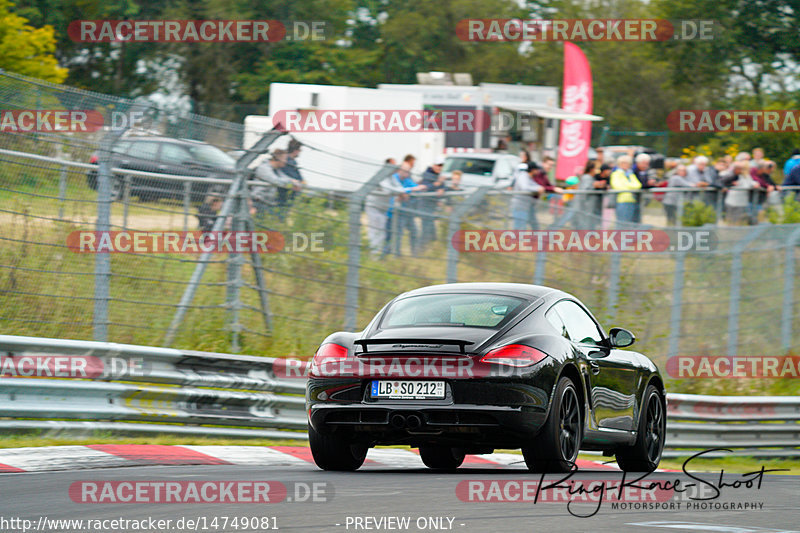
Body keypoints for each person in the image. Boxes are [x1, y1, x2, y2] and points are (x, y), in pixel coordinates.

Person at [385, 162, 426, 256]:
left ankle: (415, 253)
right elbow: (398, 190)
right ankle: (395, 255)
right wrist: (407, 191)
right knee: (395, 235)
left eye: (408, 172)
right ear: (400, 170)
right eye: (405, 171)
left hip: (406, 211)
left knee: (414, 231)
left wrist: (411, 190)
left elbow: (415, 187)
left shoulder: (406, 179)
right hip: (395, 212)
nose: (407, 174)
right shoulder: (394, 178)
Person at [365, 158, 400, 256]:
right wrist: (399, 192)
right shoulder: (381, 176)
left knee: (381, 233)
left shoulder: (392, 177)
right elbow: (388, 190)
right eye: (393, 165)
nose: (395, 168)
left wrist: (403, 191)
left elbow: (399, 187)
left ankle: (377, 254)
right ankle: (374, 254)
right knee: (375, 231)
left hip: (383, 208)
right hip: (374, 207)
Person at [251, 149, 296, 220]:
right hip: (258, 203)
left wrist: (294, 182)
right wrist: (291, 181)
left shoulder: (277, 170)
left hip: (268, 203)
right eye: (284, 159)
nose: (286, 162)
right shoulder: (264, 168)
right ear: (278, 158)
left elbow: (285, 178)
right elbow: (275, 181)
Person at [418, 158, 447, 248]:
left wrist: (442, 188)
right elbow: (425, 187)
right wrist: (437, 184)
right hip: (425, 206)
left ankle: (427, 248)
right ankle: (420, 249)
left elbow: (443, 186)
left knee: (431, 231)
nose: (440, 167)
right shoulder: (427, 174)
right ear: (433, 165)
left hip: (432, 206)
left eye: (441, 166)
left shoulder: (438, 175)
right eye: (438, 165)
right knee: (426, 229)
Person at [274, 139, 304, 220]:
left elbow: (300, 179)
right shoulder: (286, 162)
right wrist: (297, 182)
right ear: (295, 150)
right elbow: (293, 177)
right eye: (300, 150)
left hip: (286, 196)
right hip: (283, 195)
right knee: (280, 217)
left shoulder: (292, 162)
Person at [510, 161, 545, 230]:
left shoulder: (529, 177)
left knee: (524, 227)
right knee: (519, 228)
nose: (538, 171)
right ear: (532, 170)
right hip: (520, 206)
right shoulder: (523, 176)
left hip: (526, 207)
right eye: (536, 169)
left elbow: (534, 185)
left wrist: (539, 188)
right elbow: (524, 187)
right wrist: (537, 189)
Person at [610, 155, 642, 223]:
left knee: (632, 223)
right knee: (622, 223)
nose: (625, 165)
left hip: (632, 200)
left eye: (627, 163)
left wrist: (627, 186)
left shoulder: (630, 174)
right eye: (623, 163)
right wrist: (631, 186)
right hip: (622, 201)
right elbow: (618, 187)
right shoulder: (616, 174)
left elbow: (638, 185)